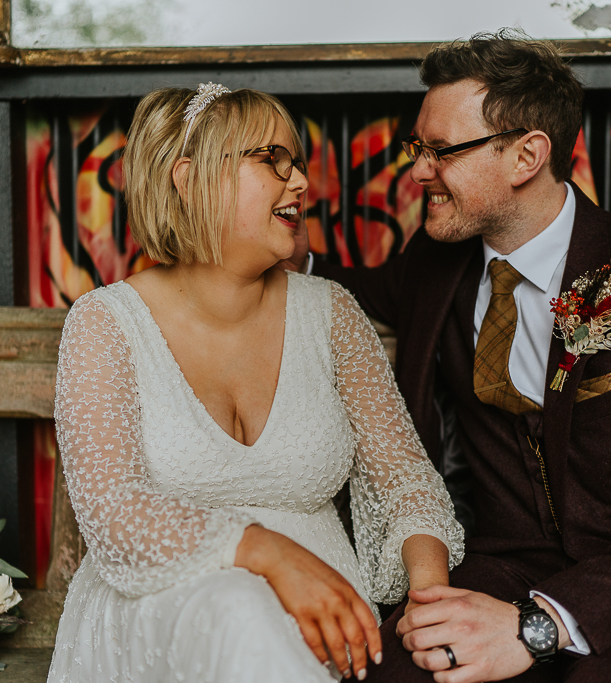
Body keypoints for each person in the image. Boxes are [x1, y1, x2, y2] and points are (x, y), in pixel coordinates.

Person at [298, 31, 611, 683]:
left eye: (440, 151)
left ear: (527, 154)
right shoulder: (436, 261)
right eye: (418, 148)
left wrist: (540, 623)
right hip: (501, 565)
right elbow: (361, 292)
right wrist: (282, 256)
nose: (418, 170)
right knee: (390, 672)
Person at [46, 84, 465, 683]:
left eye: (297, 163)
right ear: (188, 180)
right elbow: (114, 513)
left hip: (330, 625)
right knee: (240, 608)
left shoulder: (333, 314)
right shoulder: (104, 324)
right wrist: (266, 553)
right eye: (273, 160)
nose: (299, 183)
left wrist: (430, 604)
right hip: (162, 613)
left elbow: (408, 485)